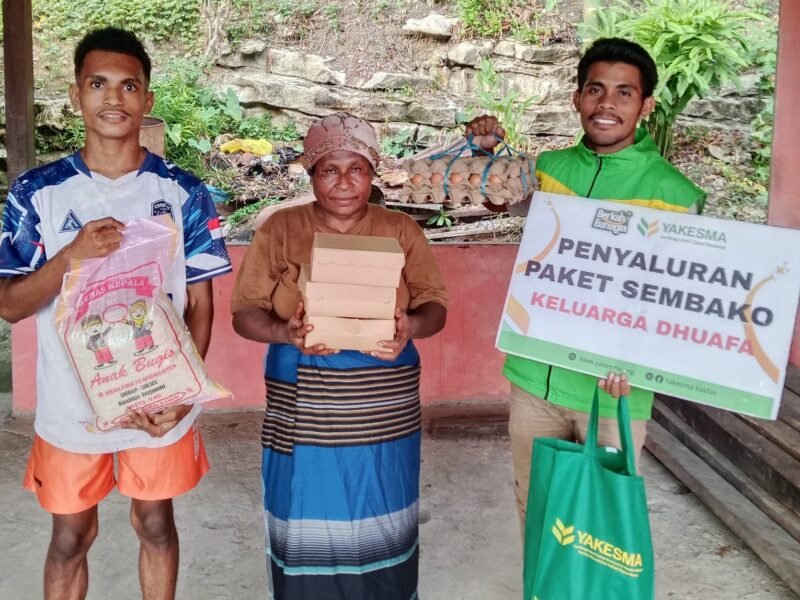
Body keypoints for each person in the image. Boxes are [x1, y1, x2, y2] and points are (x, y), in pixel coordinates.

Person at [0, 28, 232, 599]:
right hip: (71, 406)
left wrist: (183, 392)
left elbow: (201, 304)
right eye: (97, 83)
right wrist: (70, 257)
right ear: (77, 95)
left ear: (147, 99)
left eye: (128, 85)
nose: (113, 98)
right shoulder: (37, 193)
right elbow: (8, 304)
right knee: (69, 538)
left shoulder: (183, 191)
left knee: (156, 524)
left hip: (157, 400)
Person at [467, 37, 707, 531]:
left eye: (624, 93)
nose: (607, 104)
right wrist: (486, 151)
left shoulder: (676, 195)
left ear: (646, 106)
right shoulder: (548, 171)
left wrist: (645, 364)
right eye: (596, 90)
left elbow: (681, 303)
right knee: (536, 515)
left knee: (603, 524)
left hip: (615, 392)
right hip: (536, 383)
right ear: (577, 98)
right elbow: (495, 199)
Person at [230, 113, 448, 599]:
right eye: (330, 169)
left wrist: (411, 325)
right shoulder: (281, 229)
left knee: (381, 497)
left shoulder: (401, 229)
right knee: (305, 505)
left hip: (381, 406)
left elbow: (436, 308)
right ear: (312, 176)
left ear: (372, 174)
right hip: (303, 395)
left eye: (357, 169)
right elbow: (245, 314)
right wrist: (286, 333)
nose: (345, 182)